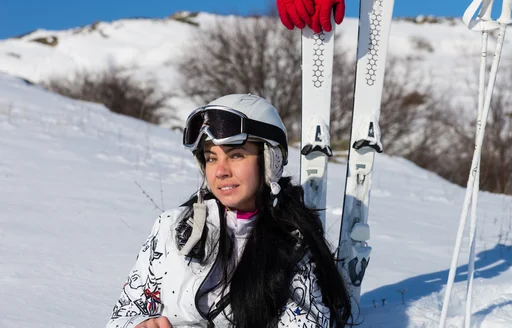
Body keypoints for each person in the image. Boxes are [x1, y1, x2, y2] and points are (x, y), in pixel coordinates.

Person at [107, 93, 352, 328]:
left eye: (236, 155)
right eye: (211, 158)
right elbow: (126, 311)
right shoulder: (172, 228)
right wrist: (139, 324)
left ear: (269, 160)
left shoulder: (294, 246)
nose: (220, 171)